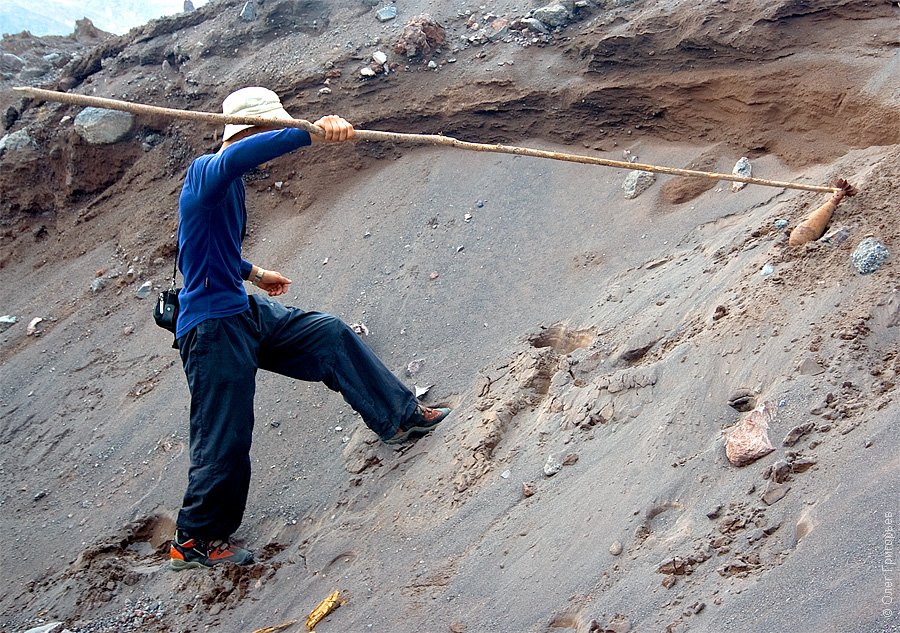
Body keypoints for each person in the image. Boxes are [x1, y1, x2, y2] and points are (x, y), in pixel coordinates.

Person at [169, 87, 451, 571]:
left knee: (328, 334)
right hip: (210, 329)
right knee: (225, 433)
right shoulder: (206, 173)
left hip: (239, 309)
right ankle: (194, 539)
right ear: (250, 131)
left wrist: (255, 274)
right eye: (271, 128)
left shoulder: (226, 188)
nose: (276, 136)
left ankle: (399, 418)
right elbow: (233, 160)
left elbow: (204, 250)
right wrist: (309, 134)